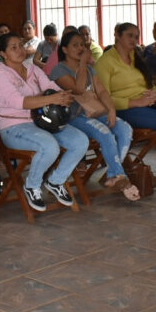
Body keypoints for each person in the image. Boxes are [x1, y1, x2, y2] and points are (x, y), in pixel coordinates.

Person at [0, 33, 88, 210]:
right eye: (13, 48)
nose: (19, 50)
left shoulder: (32, 68)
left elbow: (51, 87)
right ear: (3, 53)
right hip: (14, 127)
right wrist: (51, 99)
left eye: (20, 45)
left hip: (42, 121)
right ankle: (32, 185)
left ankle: (56, 181)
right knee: (49, 146)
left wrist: (63, 96)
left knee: (80, 141)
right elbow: (20, 102)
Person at [96, 23, 156, 193]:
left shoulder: (137, 57)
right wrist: (136, 102)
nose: (134, 40)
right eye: (130, 35)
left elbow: (149, 83)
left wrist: (154, 94)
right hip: (125, 108)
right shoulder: (105, 62)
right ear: (117, 35)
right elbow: (104, 99)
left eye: (136, 36)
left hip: (147, 101)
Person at [50, 30, 138, 201]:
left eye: (82, 45)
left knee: (125, 129)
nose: (80, 48)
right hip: (74, 117)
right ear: (65, 50)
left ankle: (112, 173)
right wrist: (82, 64)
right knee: (105, 133)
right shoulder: (59, 70)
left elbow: (102, 91)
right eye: (75, 45)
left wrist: (111, 110)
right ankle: (120, 177)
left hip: (95, 112)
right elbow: (79, 89)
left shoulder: (90, 69)